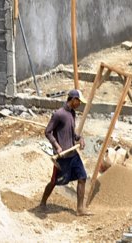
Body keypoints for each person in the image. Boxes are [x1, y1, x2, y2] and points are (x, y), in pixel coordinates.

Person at [39, 88, 90, 216]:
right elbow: (47, 132)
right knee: (55, 181)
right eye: (79, 101)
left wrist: (80, 138)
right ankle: (43, 203)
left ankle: (80, 209)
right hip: (62, 157)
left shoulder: (72, 113)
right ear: (73, 100)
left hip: (73, 154)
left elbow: (72, 133)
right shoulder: (59, 114)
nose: (80, 104)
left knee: (82, 177)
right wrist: (57, 146)